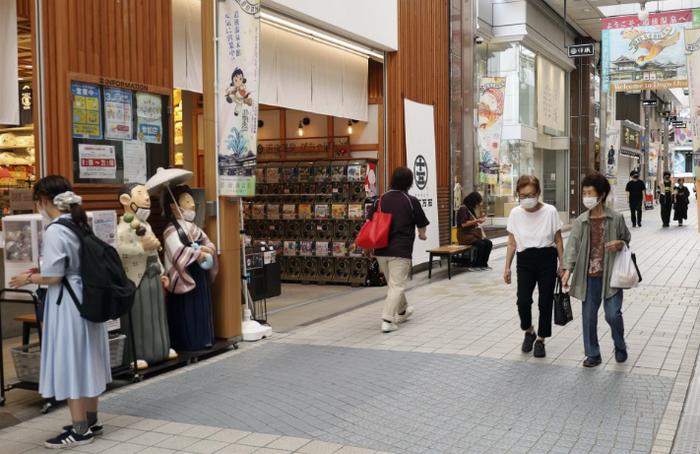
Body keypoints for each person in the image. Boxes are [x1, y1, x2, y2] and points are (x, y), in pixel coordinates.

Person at [10, 176, 111, 448]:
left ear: (43, 200)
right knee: (87, 360)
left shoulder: (56, 230)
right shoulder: (78, 222)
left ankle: (80, 431)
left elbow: (54, 277)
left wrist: (28, 279)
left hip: (68, 304)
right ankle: (91, 421)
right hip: (86, 299)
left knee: (72, 361)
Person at [562, 172, 631, 368]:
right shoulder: (581, 221)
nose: (586, 197)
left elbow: (626, 238)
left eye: (589, 193)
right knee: (589, 318)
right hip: (589, 277)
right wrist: (567, 270)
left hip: (611, 275)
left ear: (601, 195)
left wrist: (620, 243)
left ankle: (620, 345)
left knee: (612, 315)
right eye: (584, 193)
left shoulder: (616, 218)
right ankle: (593, 354)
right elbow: (572, 247)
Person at [504, 175, 563, 358]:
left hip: (547, 257)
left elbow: (558, 240)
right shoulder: (515, 213)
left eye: (530, 194)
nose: (527, 199)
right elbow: (512, 243)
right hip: (525, 259)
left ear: (538, 193)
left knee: (545, 301)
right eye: (522, 195)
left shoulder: (550, 211)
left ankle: (541, 340)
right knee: (523, 300)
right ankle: (529, 330)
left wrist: (563, 265)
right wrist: (507, 267)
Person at [369, 167, 429, 333]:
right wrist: (422, 234)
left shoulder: (380, 199)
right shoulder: (410, 200)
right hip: (400, 250)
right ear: (410, 182)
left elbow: (370, 221)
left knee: (394, 283)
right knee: (397, 285)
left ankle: (403, 310)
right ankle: (387, 320)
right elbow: (421, 223)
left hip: (380, 249)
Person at [163, 185, 218, 351]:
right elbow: (176, 252)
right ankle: (187, 342)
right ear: (174, 206)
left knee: (201, 308)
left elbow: (208, 243)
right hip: (184, 275)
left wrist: (208, 249)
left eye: (192, 200)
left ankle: (204, 338)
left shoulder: (194, 227)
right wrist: (197, 253)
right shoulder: (170, 229)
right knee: (186, 310)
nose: (192, 204)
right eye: (187, 201)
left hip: (198, 273)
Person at [457, 192, 493, 269]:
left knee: (489, 243)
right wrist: (477, 221)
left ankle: (483, 264)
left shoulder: (469, 209)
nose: (477, 204)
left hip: (471, 234)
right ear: (473, 201)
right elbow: (464, 224)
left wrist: (479, 220)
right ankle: (476, 265)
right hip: (464, 235)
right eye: (477, 202)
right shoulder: (463, 209)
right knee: (481, 244)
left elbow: (472, 222)